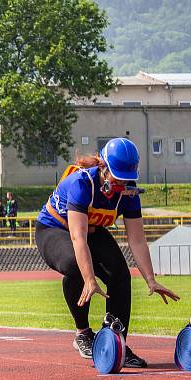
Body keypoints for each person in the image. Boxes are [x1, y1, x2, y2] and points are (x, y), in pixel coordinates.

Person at [35, 138, 180, 367]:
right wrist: (90, 279)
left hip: (93, 229)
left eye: (126, 179)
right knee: (76, 265)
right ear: (103, 167)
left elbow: (137, 239)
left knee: (120, 275)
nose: (122, 184)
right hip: (55, 228)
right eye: (117, 178)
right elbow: (78, 237)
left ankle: (115, 341)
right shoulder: (82, 184)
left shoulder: (128, 193)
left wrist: (151, 280)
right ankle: (83, 333)